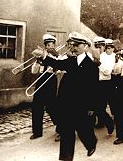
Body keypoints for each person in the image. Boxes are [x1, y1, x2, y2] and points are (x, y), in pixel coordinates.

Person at [32, 32, 99, 160]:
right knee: (67, 131)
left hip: (81, 104)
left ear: (85, 46)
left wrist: (92, 107)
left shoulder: (91, 66)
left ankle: (91, 143)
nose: (73, 47)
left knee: (82, 129)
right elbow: (56, 64)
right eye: (71, 45)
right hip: (66, 103)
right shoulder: (70, 60)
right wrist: (44, 56)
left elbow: (94, 89)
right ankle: (66, 158)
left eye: (77, 45)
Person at [29, 34, 59, 140]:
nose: (48, 47)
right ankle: (37, 132)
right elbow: (34, 72)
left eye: (50, 44)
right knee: (36, 106)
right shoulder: (41, 55)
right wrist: (37, 62)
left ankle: (61, 128)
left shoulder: (57, 55)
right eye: (46, 45)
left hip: (51, 80)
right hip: (41, 79)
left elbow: (58, 69)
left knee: (51, 107)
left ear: (54, 45)